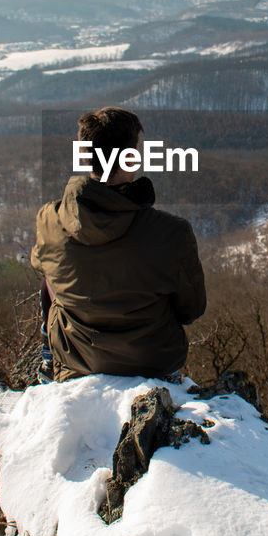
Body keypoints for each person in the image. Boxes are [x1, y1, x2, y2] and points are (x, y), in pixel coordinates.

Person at [29, 107, 206, 382]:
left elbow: (49, 283)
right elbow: (191, 309)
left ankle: (49, 362)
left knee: (48, 278)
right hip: (153, 367)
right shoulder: (172, 233)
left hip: (76, 363)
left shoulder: (48, 221)